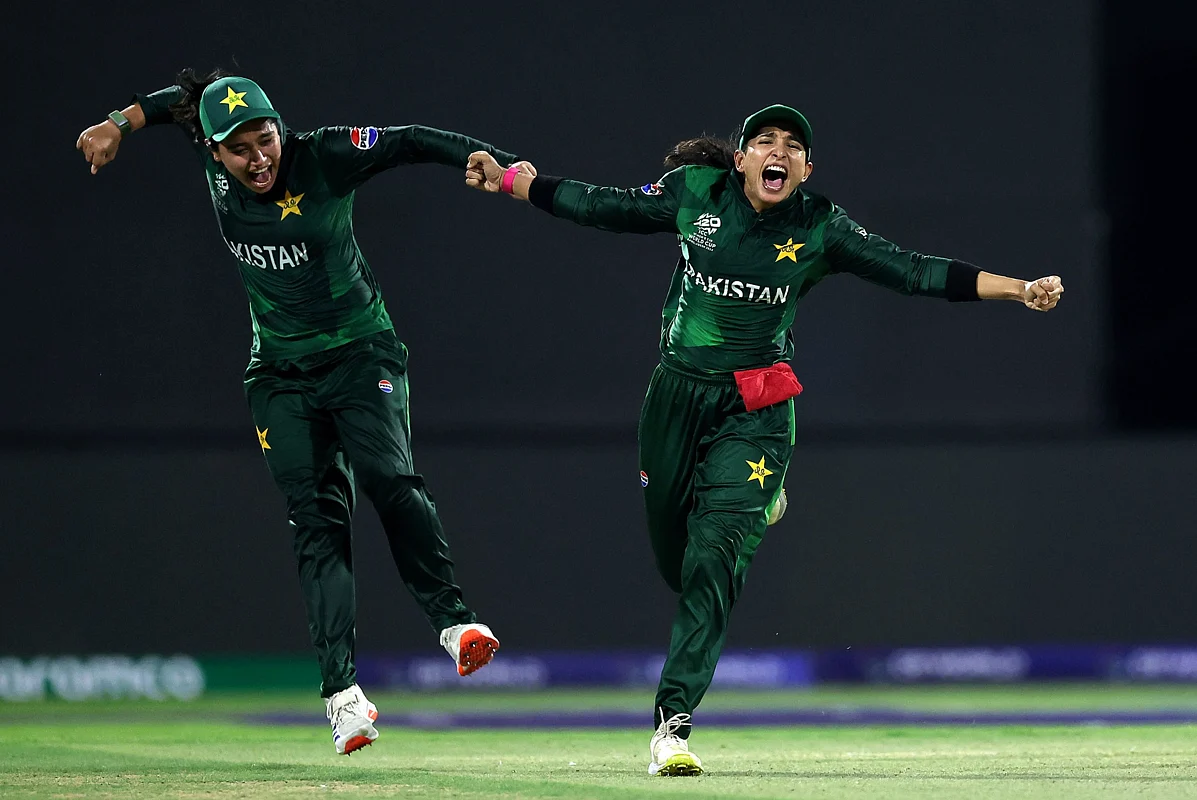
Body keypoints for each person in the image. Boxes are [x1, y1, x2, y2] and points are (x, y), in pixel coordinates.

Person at [464, 104, 1063, 776]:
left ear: (806, 169)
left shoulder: (819, 226)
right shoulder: (695, 191)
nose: (778, 151)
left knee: (712, 560)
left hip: (756, 406)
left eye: (792, 146)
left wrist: (1018, 289)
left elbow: (912, 269)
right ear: (741, 158)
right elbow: (602, 206)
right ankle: (762, 502)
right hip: (675, 398)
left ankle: (671, 724)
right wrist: (514, 181)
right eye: (764, 140)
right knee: (676, 563)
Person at [76, 68, 528, 755]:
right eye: (239, 150)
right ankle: (343, 698)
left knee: (387, 478)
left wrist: (490, 160)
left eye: (265, 139)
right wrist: (118, 123)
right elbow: (179, 102)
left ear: (279, 127)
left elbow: (409, 139)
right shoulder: (210, 153)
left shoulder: (325, 155)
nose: (258, 159)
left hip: (361, 354)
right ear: (213, 149)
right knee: (316, 520)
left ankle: (455, 624)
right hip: (279, 374)